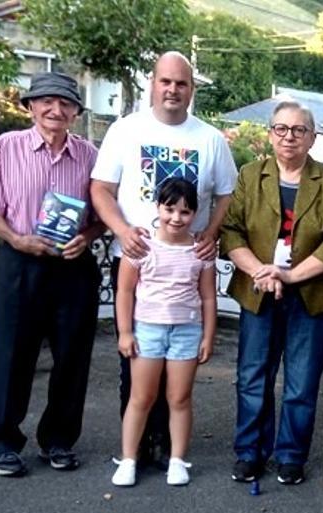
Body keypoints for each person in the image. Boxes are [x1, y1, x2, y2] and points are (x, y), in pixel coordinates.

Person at [91, 51, 237, 467]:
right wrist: (123, 231)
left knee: (176, 366)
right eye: (165, 81)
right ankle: (134, 450)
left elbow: (228, 194)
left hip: (188, 264)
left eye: (181, 83)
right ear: (152, 84)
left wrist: (211, 233)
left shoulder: (209, 139)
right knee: (137, 358)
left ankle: (165, 445)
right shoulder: (125, 130)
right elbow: (100, 189)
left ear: (191, 90)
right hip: (137, 258)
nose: (173, 90)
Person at [0, 72, 104, 477]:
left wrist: (87, 237)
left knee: (72, 356)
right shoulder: (5, 147)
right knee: (10, 353)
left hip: (72, 265)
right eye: (46, 101)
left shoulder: (90, 155)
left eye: (65, 104)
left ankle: (59, 439)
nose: (55, 110)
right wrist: (15, 238)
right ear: (30, 107)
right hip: (20, 261)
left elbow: (102, 214)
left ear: (76, 112)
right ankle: (1, 441)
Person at [220, 101, 323, 486]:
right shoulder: (250, 175)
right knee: (253, 377)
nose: (289, 136)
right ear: (270, 134)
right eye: (281, 128)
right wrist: (261, 272)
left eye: (298, 130)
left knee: (301, 382)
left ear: (312, 137)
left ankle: (291, 455)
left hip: (312, 294)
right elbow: (231, 232)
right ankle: (250, 453)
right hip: (258, 290)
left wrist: (289, 275)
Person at [111, 179, 217, 487]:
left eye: (185, 212)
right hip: (147, 331)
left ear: (195, 214)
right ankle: (128, 459)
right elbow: (125, 291)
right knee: (141, 396)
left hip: (187, 332)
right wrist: (125, 332)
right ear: (158, 207)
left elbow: (208, 297)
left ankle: (177, 460)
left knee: (179, 398)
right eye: (169, 209)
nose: (176, 218)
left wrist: (207, 336)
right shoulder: (141, 247)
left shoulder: (200, 252)